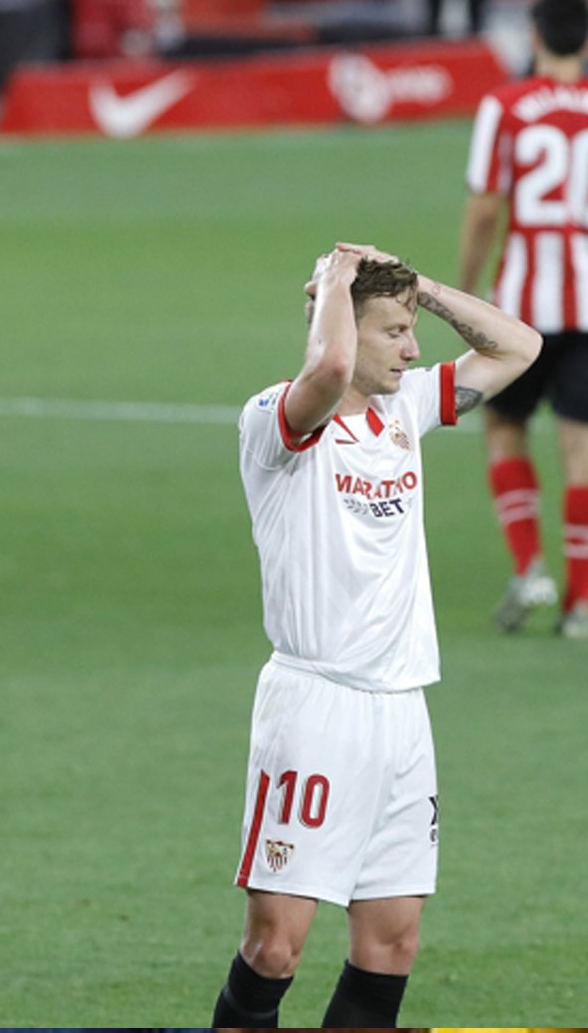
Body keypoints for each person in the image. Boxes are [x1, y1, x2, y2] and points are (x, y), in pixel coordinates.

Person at [212, 243, 540, 1027]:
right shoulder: (277, 418)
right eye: (392, 330)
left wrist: (419, 288)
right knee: (275, 948)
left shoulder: (405, 408)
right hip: (315, 708)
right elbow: (325, 371)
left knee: (392, 943)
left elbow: (519, 346)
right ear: (345, 331)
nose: (413, 346)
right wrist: (334, 282)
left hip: (401, 714)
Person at [459, 0, 588, 638]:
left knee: (504, 429)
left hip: (520, 305)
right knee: (585, 449)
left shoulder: (506, 107)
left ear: (535, 38)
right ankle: (580, 605)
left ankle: (530, 567)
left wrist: (464, 293)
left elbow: (487, 207)